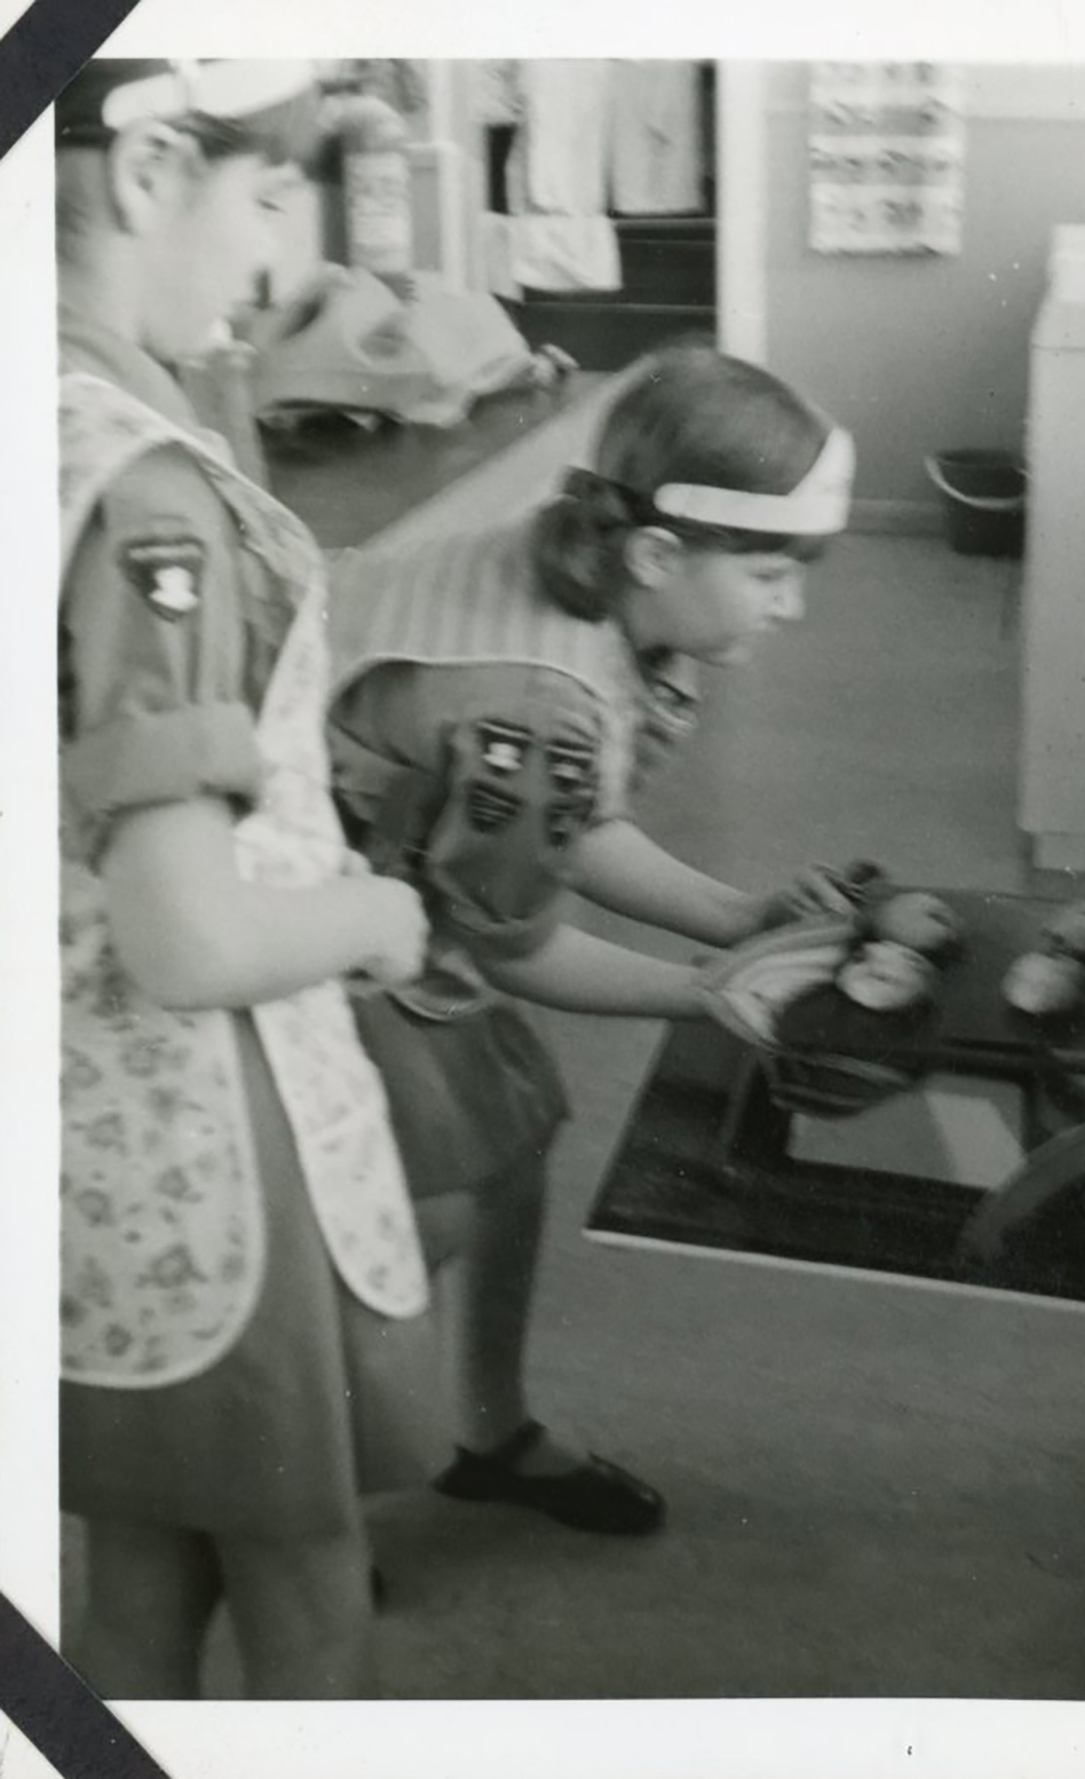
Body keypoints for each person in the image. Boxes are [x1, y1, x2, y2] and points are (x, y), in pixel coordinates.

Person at [326, 342, 856, 1536]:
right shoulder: (533, 698)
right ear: (660, 554)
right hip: (294, 892)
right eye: (773, 574)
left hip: (385, 856)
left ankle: (487, 1432)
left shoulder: (586, 571)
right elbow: (516, 945)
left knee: (506, 1142)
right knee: (415, 1205)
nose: (794, 605)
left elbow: (563, 830)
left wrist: (730, 917)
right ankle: (307, 1510)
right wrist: (711, 991)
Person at [55, 59, 440, 1698]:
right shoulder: (150, 497)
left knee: (137, 1563)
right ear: (148, 170)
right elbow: (194, 937)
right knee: (304, 1592)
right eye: (272, 192)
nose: (290, 257)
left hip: (65, 1133)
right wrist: (378, 913)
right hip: (199, 1125)